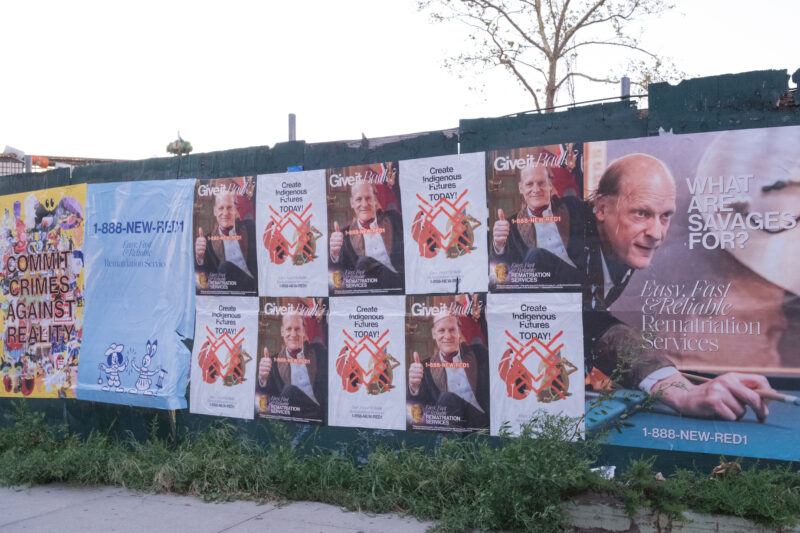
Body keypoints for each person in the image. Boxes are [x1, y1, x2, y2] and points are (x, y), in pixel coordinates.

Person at [583, 153, 777, 422]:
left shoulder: (616, 244)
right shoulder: (562, 246)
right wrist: (681, 392)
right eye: (641, 213)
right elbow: (591, 323)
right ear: (602, 208)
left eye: (665, 216)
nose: (657, 233)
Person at [491, 164, 583, 284]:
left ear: (550, 185)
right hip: (538, 292)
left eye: (541, 183)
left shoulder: (572, 207)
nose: (536, 189)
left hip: (575, 284)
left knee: (537, 254)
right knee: (535, 256)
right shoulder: (510, 226)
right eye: (529, 184)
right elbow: (501, 275)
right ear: (521, 188)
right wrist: (498, 246)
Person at [407, 313, 489, 429]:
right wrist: (414, 387)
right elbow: (413, 412)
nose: (447, 336)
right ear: (433, 334)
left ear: (459, 332)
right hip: (447, 428)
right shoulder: (424, 368)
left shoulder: (480, 354)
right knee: (447, 398)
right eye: (441, 330)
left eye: (452, 330)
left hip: (481, 425)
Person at [329, 181, 403, 288]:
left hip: (398, 284)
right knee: (364, 262)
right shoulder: (343, 236)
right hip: (367, 291)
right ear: (352, 203)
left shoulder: (394, 219)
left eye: (368, 198)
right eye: (359, 199)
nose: (364, 204)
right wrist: (334, 254)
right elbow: (335, 278)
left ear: (375, 200)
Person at [257, 313, 326, 421]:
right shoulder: (272, 363)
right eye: (289, 329)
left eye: (297, 329)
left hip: (318, 414)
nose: (293, 334)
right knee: (289, 391)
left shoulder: (319, 352)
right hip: (291, 417)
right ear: (282, 331)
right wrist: (262, 379)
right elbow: (262, 401)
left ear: (304, 331)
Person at [195, 192, 257, 292]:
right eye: (221, 208)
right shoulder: (207, 242)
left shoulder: (250, 227)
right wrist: (199, 258)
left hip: (253, 287)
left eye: (229, 207)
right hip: (228, 293)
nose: (225, 213)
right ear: (215, 211)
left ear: (235, 210)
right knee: (225, 267)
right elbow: (200, 281)